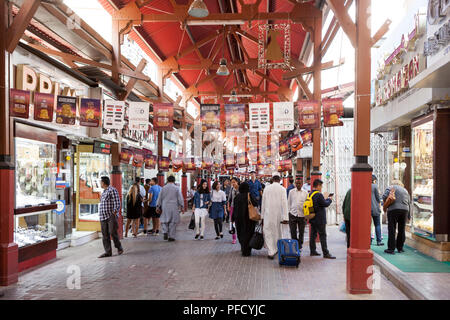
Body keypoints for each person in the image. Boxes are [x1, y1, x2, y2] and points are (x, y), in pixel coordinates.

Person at [261, 173, 289, 259]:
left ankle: (270, 251)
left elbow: (263, 203)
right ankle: (276, 249)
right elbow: (285, 204)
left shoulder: (266, 189)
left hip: (268, 214)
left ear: (272, 180)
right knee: (278, 232)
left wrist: (262, 216)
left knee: (268, 232)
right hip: (278, 215)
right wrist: (285, 217)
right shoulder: (282, 189)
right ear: (280, 180)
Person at [308, 179, 336, 259]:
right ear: (318, 186)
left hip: (312, 218)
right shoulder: (319, 195)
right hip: (320, 219)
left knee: (312, 235)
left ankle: (312, 251)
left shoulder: (310, 194)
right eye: (321, 186)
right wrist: (329, 199)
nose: (321, 188)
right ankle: (325, 253)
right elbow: (325, 204)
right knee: (322, 235)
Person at [382, 180, 410, 254]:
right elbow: (409, 202)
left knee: (392, 229)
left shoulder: (391, 187)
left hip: (393, 209)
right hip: (405, 210)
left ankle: (391, 249)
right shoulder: (405, 190)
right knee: (402, 229)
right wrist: (409, 215)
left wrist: (386, 204)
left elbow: (384, 196)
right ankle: (400, 248)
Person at [98, 176, 123, 258]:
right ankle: (108, 252)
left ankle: (119, 247)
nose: (100, 183)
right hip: (103, 216)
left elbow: (117, 201)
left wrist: (115, 212)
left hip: (111, 215)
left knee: (112, 232)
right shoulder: (104, 192)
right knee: (105, 235)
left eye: (101, 182)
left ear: (104, 183)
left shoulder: (112, 190)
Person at [232, 182, 258, 256]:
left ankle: (243, 248)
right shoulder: (250, 196)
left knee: (241, 233)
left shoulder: (237, 197)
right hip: (249, 219)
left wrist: (232, 218)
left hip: (239, 219)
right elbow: (256, 204)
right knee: (249, 233)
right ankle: (248, 249)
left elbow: (234, 209)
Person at [156, 175, 184, 241]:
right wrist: (182, 206)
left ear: (167, 180)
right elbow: (180, 198)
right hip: (174, 206)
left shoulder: (163, 188)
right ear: (174, 181)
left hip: (165, 206)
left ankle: (165, 232)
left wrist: (158, 206)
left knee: (164, 220)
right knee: (173, 222)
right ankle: (171, 236)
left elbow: (159, 198)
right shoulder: (177, 188)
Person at [287, 178, 308, 249]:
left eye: (299, 183)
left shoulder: (305, 193)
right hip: (293, 214)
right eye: (296, 183)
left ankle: (300, 244)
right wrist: (289, 212)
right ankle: (294, 244)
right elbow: (289, 203)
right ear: (295, 184)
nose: (298, 185)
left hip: (302, 215)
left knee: (301, 232)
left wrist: (306, 215)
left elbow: (307, 204)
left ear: (302, 184)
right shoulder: (291, 192)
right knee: (293, 231)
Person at [371, 175, 384, 246]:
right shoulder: (375, 186)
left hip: (367, 209)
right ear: (374, 180)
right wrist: (380, 206)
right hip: (375, 208)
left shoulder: (365, 186)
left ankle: (369, 240)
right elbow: (378, 198)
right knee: (377, 225)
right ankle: (378, 241)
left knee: (368, 225)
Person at [228, 177, 240, 244]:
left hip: (239, 207)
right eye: (232, 182)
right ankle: (234, 238)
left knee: (239, 222)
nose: (233, 183)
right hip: (233, 207)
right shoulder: (231, 189)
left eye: (234, 182)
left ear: (237, 182)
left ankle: (240, 235)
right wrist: (228, 206)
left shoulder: (240, 188)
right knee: (232, 222)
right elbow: (229, 198)